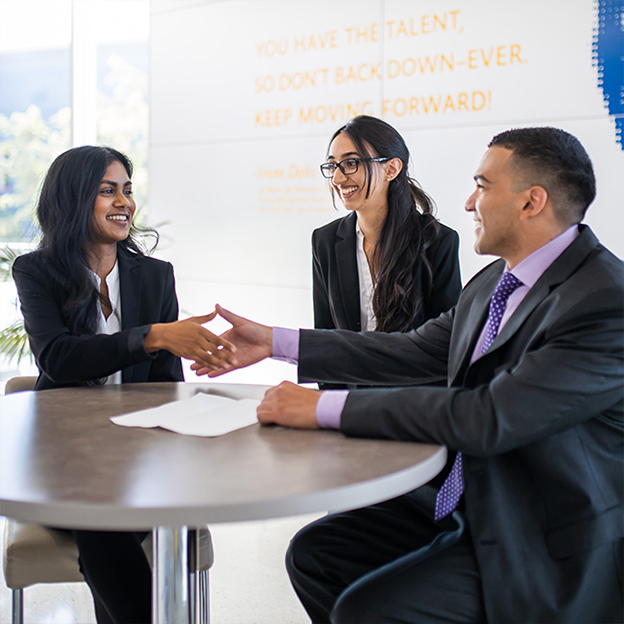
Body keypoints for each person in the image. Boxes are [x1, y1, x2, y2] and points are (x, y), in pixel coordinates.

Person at [193, 127, 624, 623]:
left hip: (540, 536)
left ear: (532, 202)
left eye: (482, 186)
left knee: (366, 610)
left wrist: (323, 408)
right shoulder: (494, 282)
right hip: (466, 501)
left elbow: (490, 415)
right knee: (317, 555)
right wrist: (276, 342)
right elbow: (413, 351)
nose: (468, 202)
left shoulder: (603, 300)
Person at [13, 146, 234, 624]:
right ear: (73, 198)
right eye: (107, 190)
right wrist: (152, 337)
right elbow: (57, 357)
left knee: (106, 520)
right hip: (62, 458)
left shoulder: (155, 276)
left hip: (136, 454)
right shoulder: (37, 272)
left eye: (128, 190)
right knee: (101, 516)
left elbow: (164, 386)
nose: (125, 202)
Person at [313, 115, 461, 339]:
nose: (337, 178)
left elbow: (446, 343)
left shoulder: (437, 241)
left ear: (391, 169)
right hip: (346, 376)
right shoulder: (325, 240)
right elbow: (324, 338)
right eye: (333, 166)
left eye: (351, 163)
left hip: (413, 374)